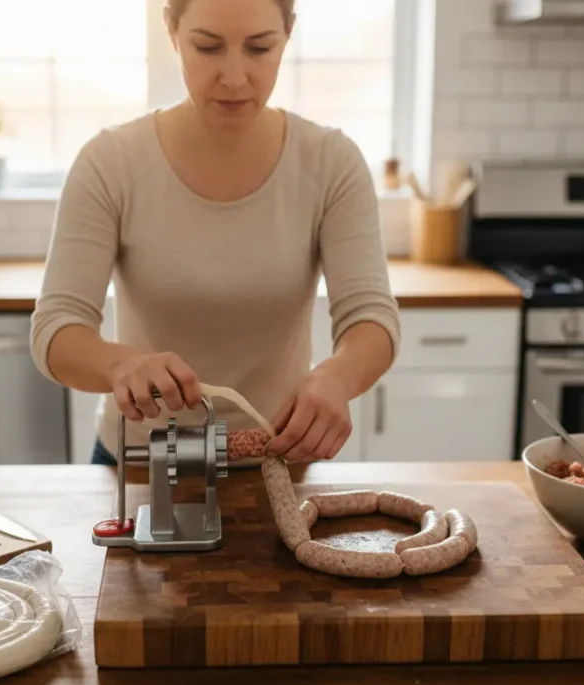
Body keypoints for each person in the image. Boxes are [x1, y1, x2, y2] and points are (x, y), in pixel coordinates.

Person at [30, 0, 400, 467]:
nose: (234, 77)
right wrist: (120, 364)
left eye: (259, 48)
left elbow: (370, 315)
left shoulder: (331, 162)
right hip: (141, 460)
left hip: (279, 459)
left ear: (287, 34)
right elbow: (57, 328)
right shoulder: (111, 162)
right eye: (207, 47)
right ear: (172, 31)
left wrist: (338, 376)